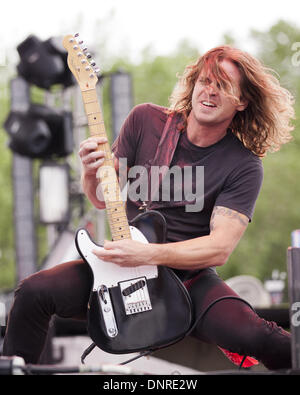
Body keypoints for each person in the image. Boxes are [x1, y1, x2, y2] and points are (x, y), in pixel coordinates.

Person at [3, 45, 295, 370]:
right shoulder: (145, 121)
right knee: (33, 293)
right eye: (205, 81)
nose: (210, 92)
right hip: (120, 270)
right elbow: (102, 198)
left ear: (242, 101)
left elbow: (219, 248)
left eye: (223, 86)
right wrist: (89, 170)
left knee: (261, 338)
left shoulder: (243, 165)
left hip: (187, 278)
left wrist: (147, 255)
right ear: (194, 84)